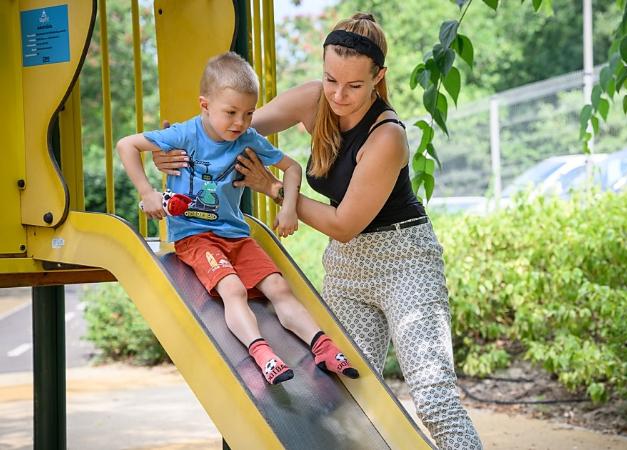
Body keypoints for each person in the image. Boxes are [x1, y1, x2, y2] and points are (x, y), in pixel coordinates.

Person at [153, 15, 482, 450]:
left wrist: (272, 188)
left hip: (405, 259)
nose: (339, 96)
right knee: (349, 397)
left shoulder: (388, 137)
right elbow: (231, 129)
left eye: (354, 86)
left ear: (378, 78)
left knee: (433, 396)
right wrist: (174, 153)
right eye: (331, 80)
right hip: (347, 268)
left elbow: (343, 224)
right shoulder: (314, 99)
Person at [117, 51, 359, 386]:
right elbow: (126, 144)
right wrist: (146, 192)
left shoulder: (247, 138)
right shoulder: (185, 135)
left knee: (278, 286)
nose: (240, 123)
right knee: (232, 288)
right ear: (205, 105)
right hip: (196, 237)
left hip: (236, 235)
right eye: (230, 113)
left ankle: (323, 347)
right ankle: (262, 353)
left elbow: (292, 167)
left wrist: (288, 207)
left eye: (248, 114)